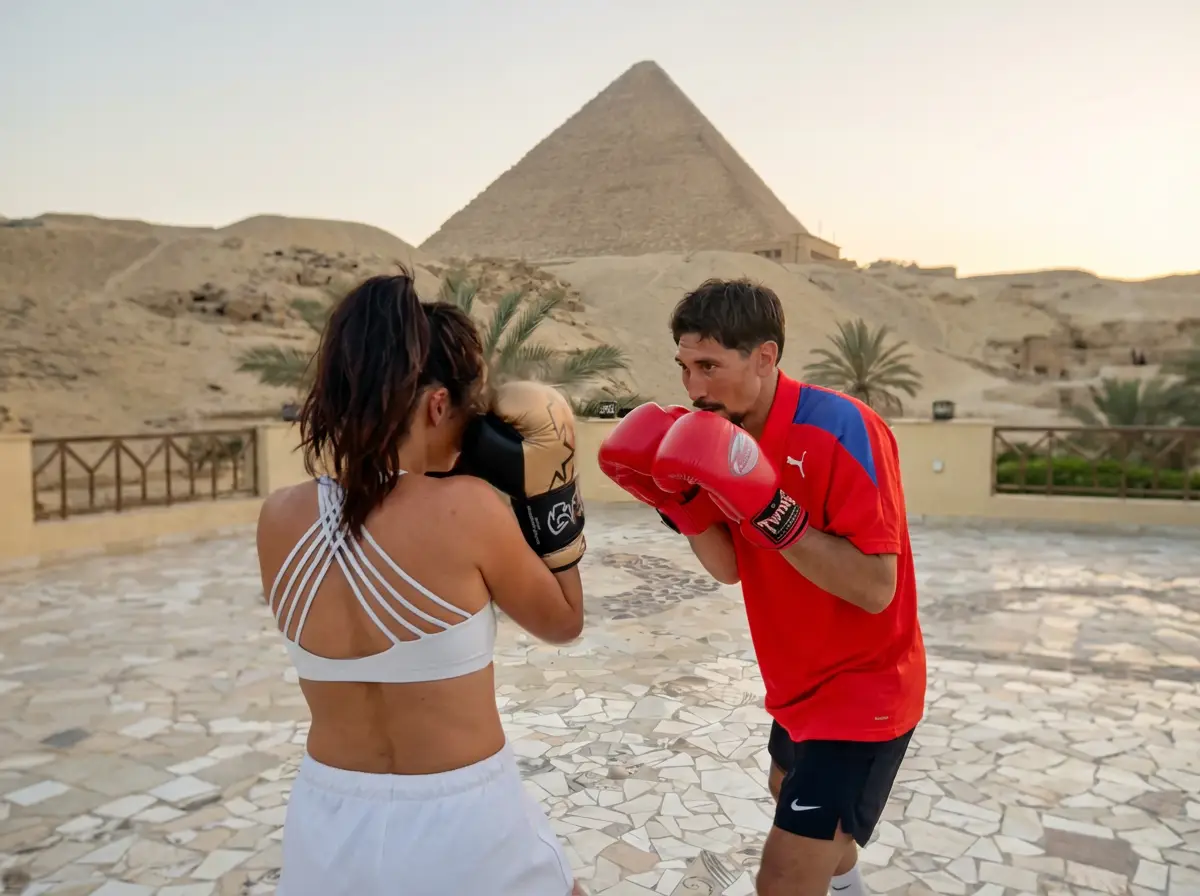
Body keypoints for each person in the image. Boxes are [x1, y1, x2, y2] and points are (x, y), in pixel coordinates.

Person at [254, 272, 588, 896]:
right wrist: (555, 493)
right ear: (439, 405)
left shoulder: (278, 519)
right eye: (469, 410)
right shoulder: (466, 508)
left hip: (326, 824)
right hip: (465, 822)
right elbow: (564, 621)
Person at [598, 278, 926, 896]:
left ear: (765, 357)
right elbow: (727, 566)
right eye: (684, 368)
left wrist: (773, 512)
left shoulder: (844, 428)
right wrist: (679, 501)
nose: (694, 388)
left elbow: (876, 587)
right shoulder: (719, 435)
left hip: (863, 690)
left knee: (784, 875)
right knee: (789, 792)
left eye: (709, 366)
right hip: (796, 683)